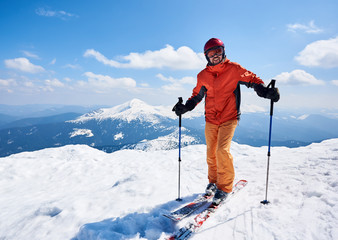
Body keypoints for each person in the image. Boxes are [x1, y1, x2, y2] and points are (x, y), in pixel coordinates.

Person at [173, 38, 280, 205]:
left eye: (218, 52)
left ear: (223, 51)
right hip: (211, 119)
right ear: (206, 56)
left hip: (229, 117)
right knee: (211, 152)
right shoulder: (203, 75)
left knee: (222, 150)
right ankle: (213, 182)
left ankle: (225, 187)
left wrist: (266, 92)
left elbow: (253, 80)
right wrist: (185, 107)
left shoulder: (234, 69)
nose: (215, 56)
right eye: (211, 53)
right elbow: (197, 96)